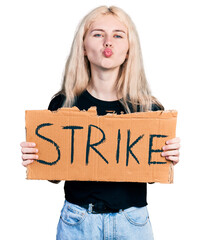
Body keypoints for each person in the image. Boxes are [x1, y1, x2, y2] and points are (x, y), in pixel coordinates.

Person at [21, 6, 180, 240]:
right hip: (78, 222)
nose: (108, 42)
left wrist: (168, 157)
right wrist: (36, 156)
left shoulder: (148, 110)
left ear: (128, 50)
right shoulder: (63, 104)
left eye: (118, 35)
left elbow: (148, 175)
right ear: (83, 47)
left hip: (132, 222)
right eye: (98, 34)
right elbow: (54, 176)